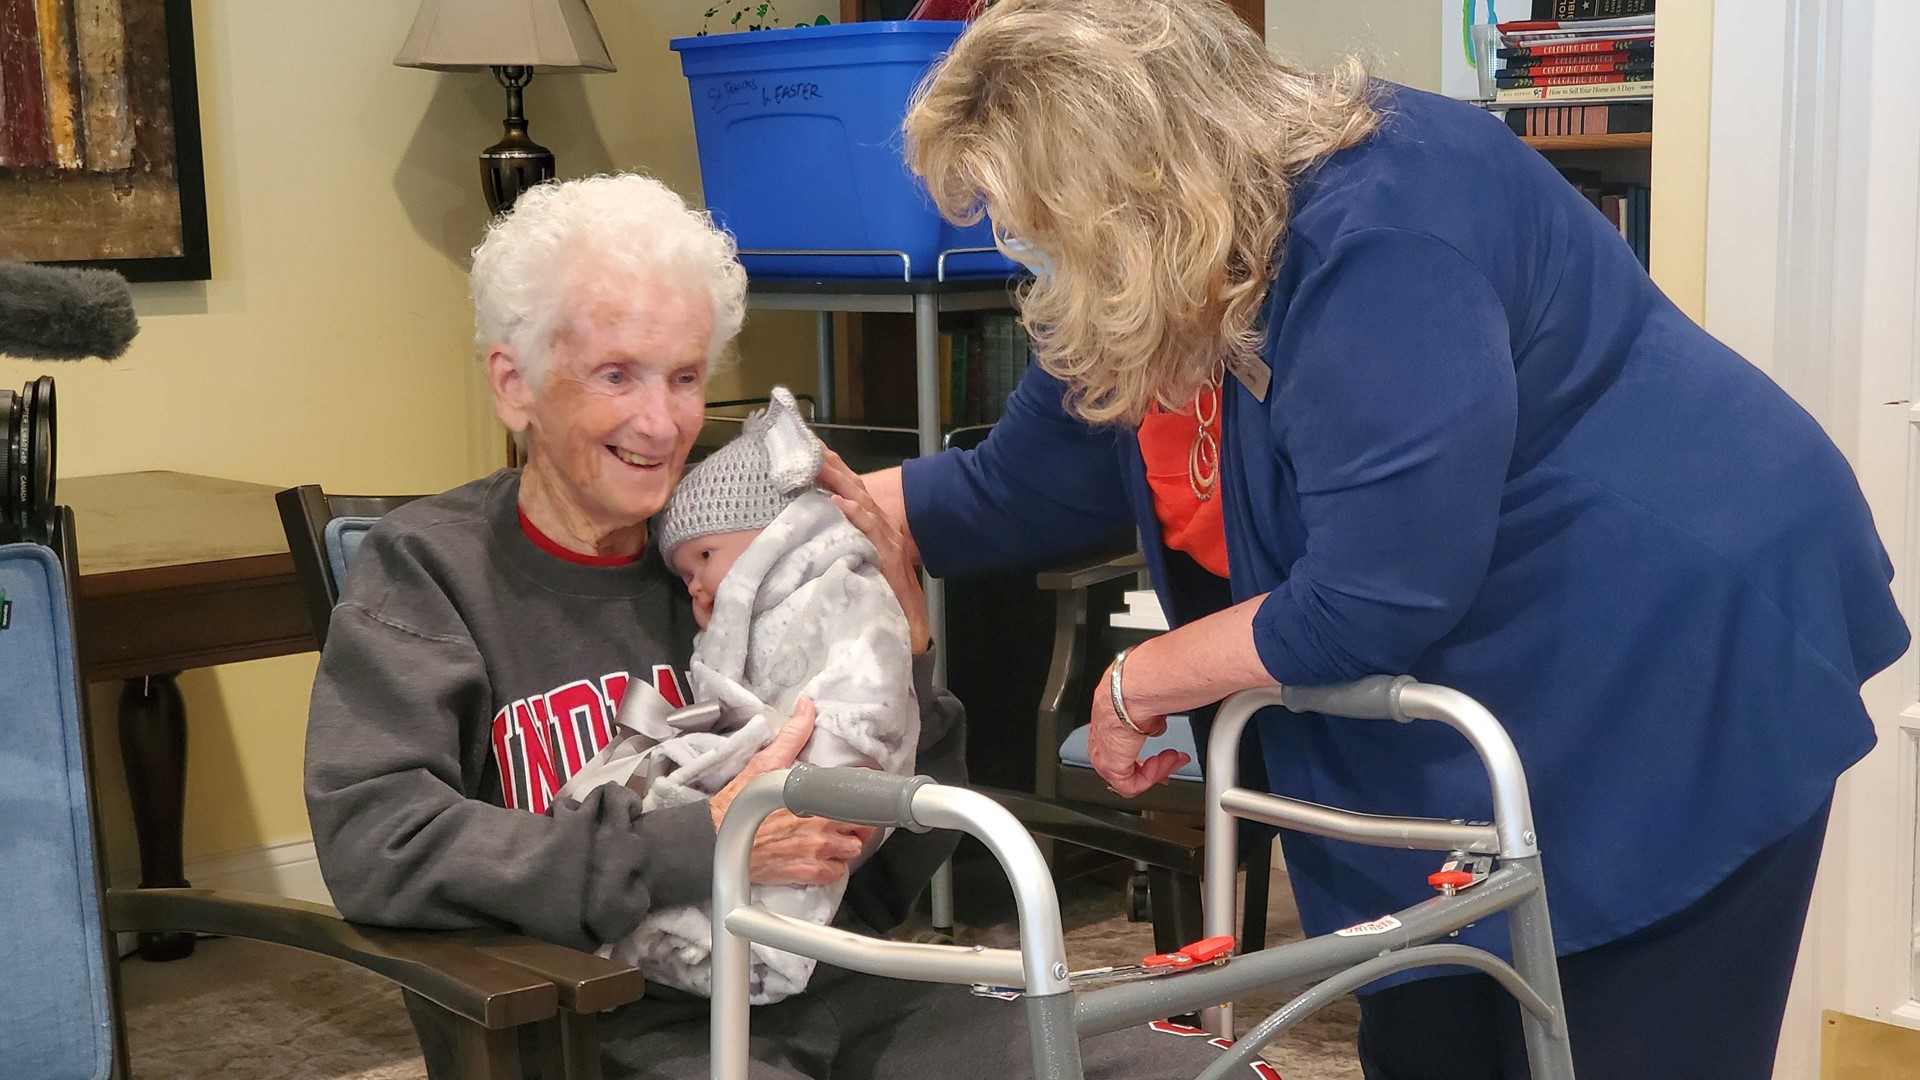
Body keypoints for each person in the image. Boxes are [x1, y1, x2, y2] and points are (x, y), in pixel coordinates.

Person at [832, 0, 1913, 1076]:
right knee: (1436, 1028)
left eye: (1045, 229)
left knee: (1616, 1039)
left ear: (1140, 186)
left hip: (1673, 644)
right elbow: (1023, 481)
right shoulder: (1159, 265)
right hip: (1481, 681)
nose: (1038, 262)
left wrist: (1141, 681)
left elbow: (1373, 598)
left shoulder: (1380, 231)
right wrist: (838, 513)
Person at [304, 172, 1229, 1079]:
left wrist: (906, 661)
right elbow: (381, 844)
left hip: (841, 994)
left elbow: (893, 875)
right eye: (616, 375)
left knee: (1172, 1068)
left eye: (684, 377)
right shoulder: (428, 570)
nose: (662, 423)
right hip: (616, 1025)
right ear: (515, 385)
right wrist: (702, 837)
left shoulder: (751, 552)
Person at [560, 384, 921, 1005]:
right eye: (685, 575)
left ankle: (747, 945)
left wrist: (914, 648)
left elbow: (869, 705)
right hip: (654, 962)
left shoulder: (840, 590)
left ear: (775, 537)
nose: (698, 586)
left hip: (818, 813)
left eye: (705, 557)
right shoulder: (429, 567)